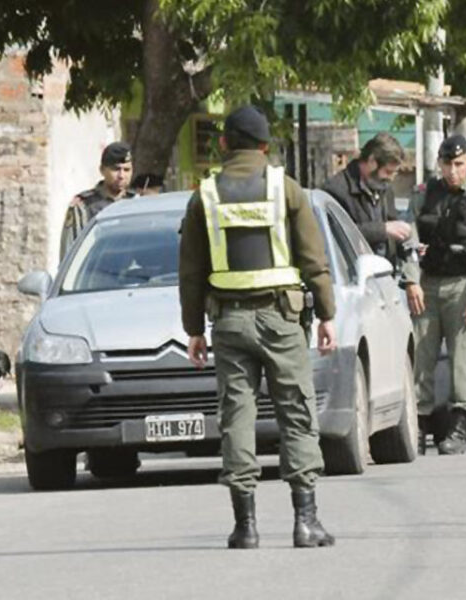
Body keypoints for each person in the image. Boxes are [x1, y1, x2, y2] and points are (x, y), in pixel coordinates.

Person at [179, 105, 338, 549]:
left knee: (237, 418)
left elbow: (191, 271)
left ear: (224, 143)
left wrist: (193, 327)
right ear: (266, 146)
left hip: (228, 322)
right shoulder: (284, 188)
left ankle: (245, 527)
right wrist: (326, 314)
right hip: (281, 320)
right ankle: (305, 522)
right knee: (296, 413)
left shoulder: (205, 194)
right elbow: (313, 259)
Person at [406, 135, 466, 454]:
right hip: (428, 284)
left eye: (459, 164)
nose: (452, 171)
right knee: (422, 356)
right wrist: (411, 281)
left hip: (465, 286)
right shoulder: (423, 196)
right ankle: (420, 425)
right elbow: (409, 240)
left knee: (465, 357)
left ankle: (459, 425)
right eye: (447, 164)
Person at [321, 132, 414, 274]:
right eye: (388, 172)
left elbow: (392, 227)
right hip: (353, 278)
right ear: (372, 161)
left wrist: (407, 244)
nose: (390, 178)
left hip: (385, 276)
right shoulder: (336, 190)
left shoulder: (383, 188)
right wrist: (381, 230)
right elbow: (335, 235)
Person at [59, 142, 136, 259]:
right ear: (102, 170)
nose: (121, 175)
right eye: (116, 169)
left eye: (126, 170)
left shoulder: (136, 203)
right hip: (96, 274)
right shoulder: (83, 206)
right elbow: (69, 255)